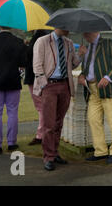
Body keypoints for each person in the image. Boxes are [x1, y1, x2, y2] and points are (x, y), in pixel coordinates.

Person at [33, 28, 81, 171]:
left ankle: (54, 153)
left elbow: (73, 64)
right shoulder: (42, 41)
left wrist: (80, 55)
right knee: (49, 124)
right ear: (57, 26)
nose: (68, 29)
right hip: (50, 86)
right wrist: (44, 85)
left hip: (65, 85)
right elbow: (37, 65)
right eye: (65, 27)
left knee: (59, 123)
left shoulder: (69, 43)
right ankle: (48, 156)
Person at [78, 31, 112, 164]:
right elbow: (87, 68)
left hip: (110, 89)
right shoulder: (86, 48)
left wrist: (107, 77)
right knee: (93, 120)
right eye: (84, 32)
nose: (84, 34)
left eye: (87, 31)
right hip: (92, 90)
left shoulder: (108, 43)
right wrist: (82, 74)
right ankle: (101, 151)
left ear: (95, 31)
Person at [0, 26, 27, 154]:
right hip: (13, 80)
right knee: (13, 112)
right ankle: (12, 143)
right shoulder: (19, 42)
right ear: (12, 26)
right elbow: (23, 63)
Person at [23, 29, 50, 145]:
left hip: (36, 77)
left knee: (41, 107)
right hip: (39, 76)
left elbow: (31, 57)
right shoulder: (45, 37)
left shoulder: (39, 38)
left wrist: (26, 48)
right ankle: (43, 132)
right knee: (42, 107)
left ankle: (41, 134)